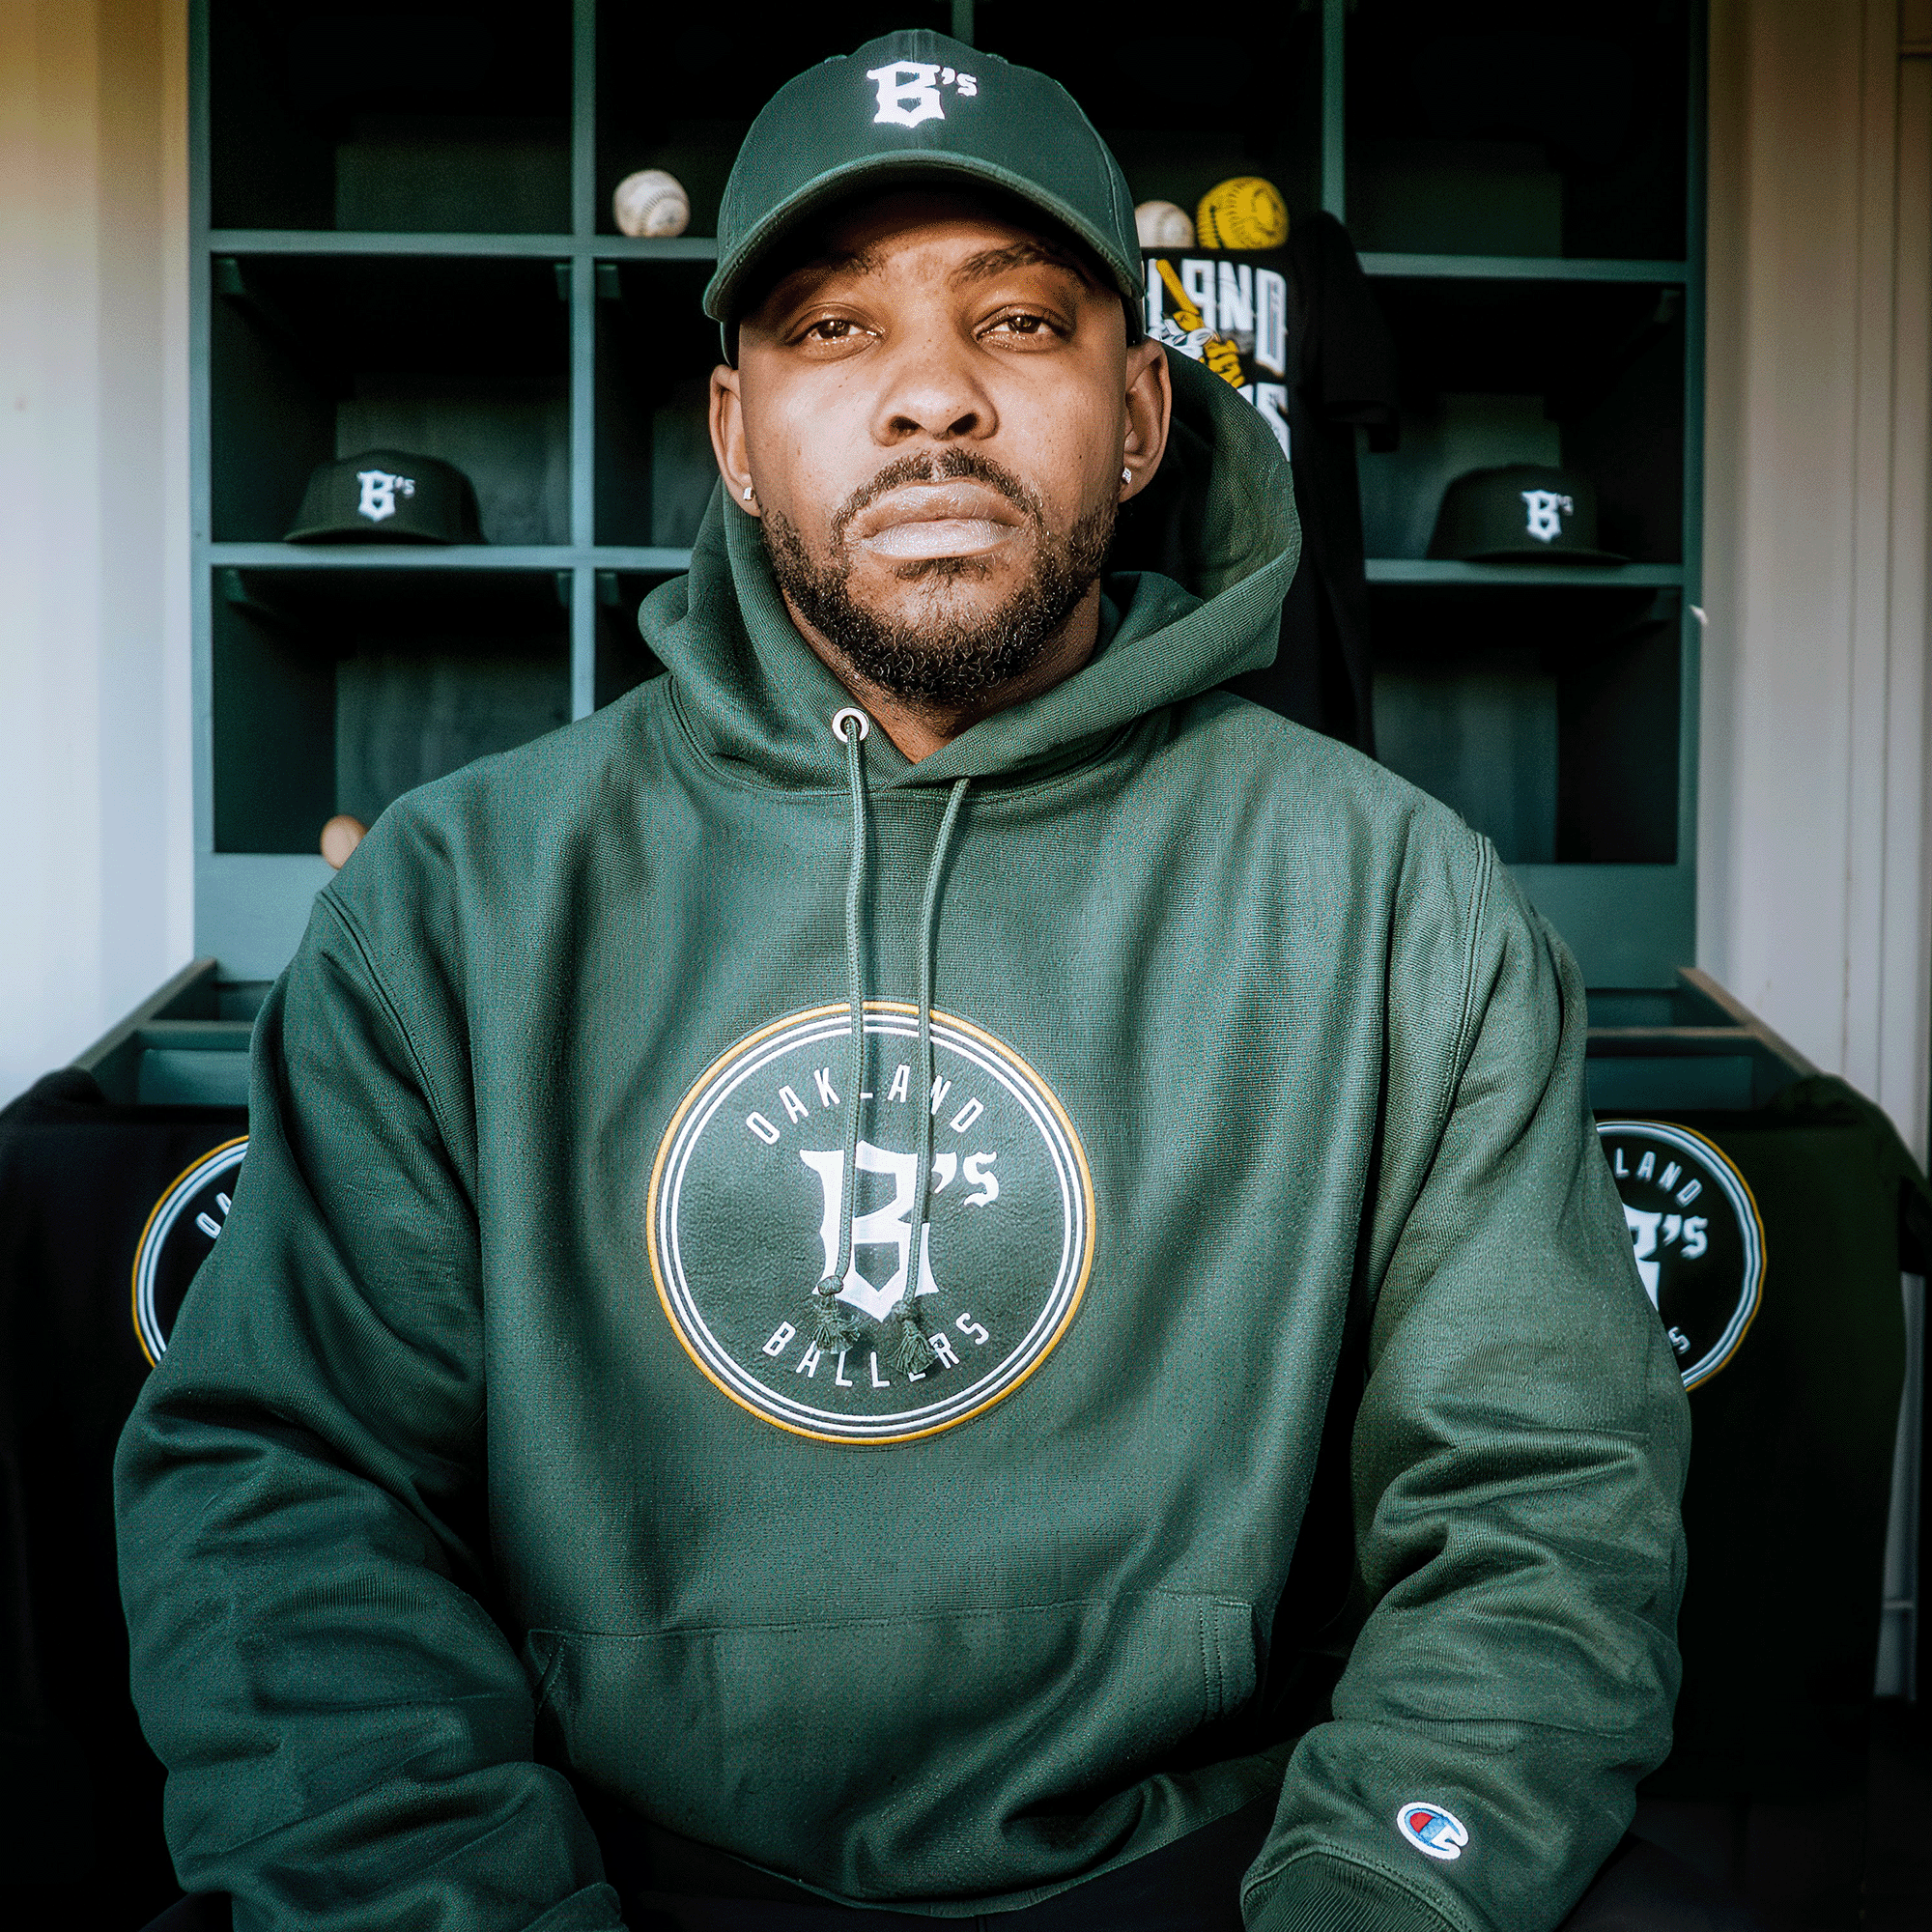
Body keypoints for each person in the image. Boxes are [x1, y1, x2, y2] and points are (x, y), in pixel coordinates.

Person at [118, 31, 1743, 1932]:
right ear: (731, 434)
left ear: (1141, 415)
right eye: (829, 329)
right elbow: (290, 1505)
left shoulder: (1399, 900)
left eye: (1020, 324)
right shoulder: (456, 898)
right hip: (607, 1865)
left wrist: (1380, 1890)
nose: (930, 403)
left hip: (1208, 1865)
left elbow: (1545, 1516)